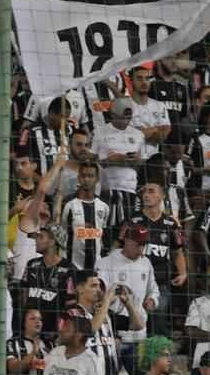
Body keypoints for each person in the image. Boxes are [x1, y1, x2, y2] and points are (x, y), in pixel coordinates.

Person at [95, 222, 159, 365]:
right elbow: (99, 295)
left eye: (144, 244)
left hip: (139, 334)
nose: (142, 249)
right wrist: (112, 297)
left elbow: (153, 289)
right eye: (138, 244)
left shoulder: (146, 263)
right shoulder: (106, 263)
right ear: (127, 241)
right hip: (113, 334)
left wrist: (152, 299)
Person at [129, 181, 187, 334]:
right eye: (144, 191)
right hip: (134, 280)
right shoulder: (133, 220)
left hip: (160, 282)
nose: (146, 195)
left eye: (152, 191)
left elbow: (178, 251)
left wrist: (183, 272)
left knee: (158, 322)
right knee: (135, 323)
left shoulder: (172, 223)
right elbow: (118, 246)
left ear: (162, 196)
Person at [91, 97, 146, 232]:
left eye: (129, 117)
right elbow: (91, 160)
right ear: (112, 115)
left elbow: (142, 162)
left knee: (127, 228)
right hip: (107, 188)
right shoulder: (100, 132)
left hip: (130, 190)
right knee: (107, 228)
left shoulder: (138, 134)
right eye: (123, 117)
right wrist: (110, 160)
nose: (126, 121)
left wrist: (135, 160)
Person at [21, 223, 74, 340]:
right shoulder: (31, 264)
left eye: (41, 237)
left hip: (53, 332)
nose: (36, 240)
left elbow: (70, 304)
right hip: (29, 331)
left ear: (52, 241)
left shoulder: (69, 269)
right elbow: (24, 295)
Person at [60, 160, 109, 270]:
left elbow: (105, 234)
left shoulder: (104, 206)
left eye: (90, 176)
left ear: (97, 179)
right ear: (78, 178)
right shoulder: (68, 203)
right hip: (71, 266)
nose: (86, 179)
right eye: (83, 176)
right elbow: (60, 229)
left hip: (96, 267)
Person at [128, 66, 171, 158]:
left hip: (152, 161)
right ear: (131, 81)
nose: (144, 82)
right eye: (139, 78)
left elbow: (163, 135)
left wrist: (143, 131)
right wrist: (155, 129)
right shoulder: (125, 105)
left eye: (147, 78)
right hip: (132, 159)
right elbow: (127, 135)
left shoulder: (160, 106)